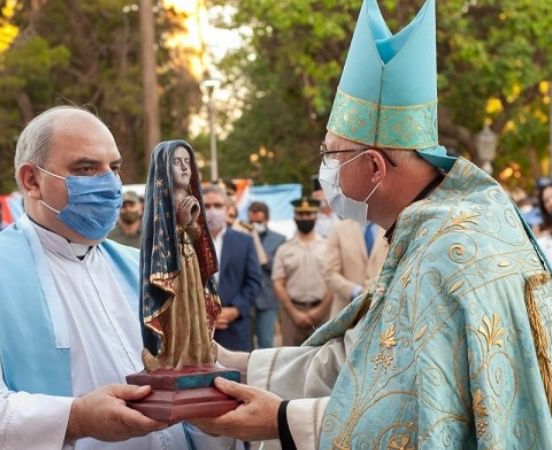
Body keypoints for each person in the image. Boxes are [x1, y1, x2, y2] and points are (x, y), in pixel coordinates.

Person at [190, 0, 552, 447]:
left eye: (331, 155)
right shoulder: (433, 229)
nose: (324, 172)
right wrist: (231, 364)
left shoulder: (450, 251)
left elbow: (429, 420)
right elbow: (364, 361)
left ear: (375, 168)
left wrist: (281, 421)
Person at [0, 106, 238, 449]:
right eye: (87, 169)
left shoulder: (141, 267)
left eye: (115, 168)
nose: (110, 184)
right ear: (32, 180)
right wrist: (74, 419)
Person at [140, 140, 222, 370]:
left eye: (187, 162)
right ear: (165, 166)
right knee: (178, 311)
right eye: (177, 162)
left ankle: (199, 352)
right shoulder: (161, 201)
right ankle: (171, 355)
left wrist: (191, 225)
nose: (185, 168)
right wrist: (180, 226)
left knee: (195, 306)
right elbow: (159, 241)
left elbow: (197, 236)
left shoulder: (189, 195)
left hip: (190, 263)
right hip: (171, 270)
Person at [202, 185, 263, 352]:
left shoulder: (244, 241)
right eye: (207, 206)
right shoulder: (188, 243)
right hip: (199, 330)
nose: (212, 211)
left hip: (235, 328)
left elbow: (254, 281)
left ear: (227, 209)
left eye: (218, 206)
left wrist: (235, 310)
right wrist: (205, 312)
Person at [271, 198, 333, 346]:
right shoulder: (284, 249)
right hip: (292, 312)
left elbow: (334, 280)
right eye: (301, 214)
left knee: (323, 360)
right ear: (295, 217)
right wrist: (294, 312)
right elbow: (278, 283)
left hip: (323, 311)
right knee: (290, 360)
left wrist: (320, 310)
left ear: (315, 216)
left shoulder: (328, 246)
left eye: (309, 214)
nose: (305, 218)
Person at [324, 219, 388, 318]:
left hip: (380, 312)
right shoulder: (338, 230)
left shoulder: (391, 227)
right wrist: (356, 291)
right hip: (345, 313)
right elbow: (330, 273)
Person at [247, 201, 286, 349]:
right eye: (252, 221)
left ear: (267, 220)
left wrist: (256, 242)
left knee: (266, 343)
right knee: (245, 346)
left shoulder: (279, 239)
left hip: (268, 298)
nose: (255, 224)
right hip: (247, 299)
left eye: (258, 221)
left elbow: (276, 267)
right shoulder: (242, 237)